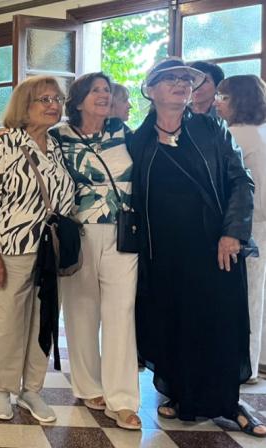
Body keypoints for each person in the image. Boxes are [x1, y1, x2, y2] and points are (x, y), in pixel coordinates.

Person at [131, 58, 264, 437]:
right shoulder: (138, 139)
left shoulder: (211, 128)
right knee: (174, 321)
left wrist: (233, 232)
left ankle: (229, 403)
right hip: (163, 251)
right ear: (151, 90)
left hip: (213, 244)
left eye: (186, 80)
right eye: (170, 79)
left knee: (220, 321)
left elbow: (241, 180)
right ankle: (180, 394)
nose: (181, 84)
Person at [0, 76, 74, 423]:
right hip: (9, 249)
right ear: (24, 105)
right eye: (45, 99)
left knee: (42, 322)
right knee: (6, 324)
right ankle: (3, 391)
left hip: (48, 251)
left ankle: (32, 390)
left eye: (58, 99)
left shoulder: (57, 146)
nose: (53, 105)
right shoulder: (3, 144)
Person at [49, 73, 141, 430]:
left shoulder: (123, 131)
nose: (104, 95)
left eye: (106, 90)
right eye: (95, 91)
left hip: (123, 232)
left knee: (122, 311)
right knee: (81, 310)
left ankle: (123, 399)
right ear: (78, 100)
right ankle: (89, 386)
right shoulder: (59, 136)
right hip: (78, 233)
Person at [215, 75, 266, 384]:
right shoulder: (261, 131)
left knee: (244, 296)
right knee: (257, 295)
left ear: (239, 100)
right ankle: (255, 359)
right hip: (259, 222)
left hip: (245, 224)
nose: (218, 103)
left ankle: (242, 365)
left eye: (224, 97)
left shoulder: (233, 135)